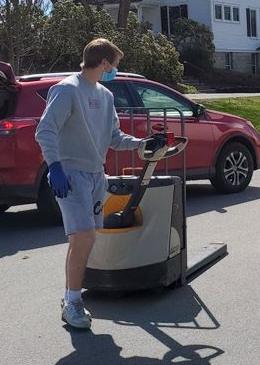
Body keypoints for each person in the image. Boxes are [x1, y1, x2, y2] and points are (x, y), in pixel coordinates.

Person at [35, 38, 162, 329]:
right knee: (84, 238)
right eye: (114, 66)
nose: (115, 71)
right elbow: (45, 131)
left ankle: (69, 297)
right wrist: (54, 166)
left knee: (82, 239)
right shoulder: (67, 90)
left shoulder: (105, 96)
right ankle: (74, 302)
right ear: (103, 63)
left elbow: (114, 138)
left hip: (95, 175)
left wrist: (142, 143)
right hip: (70, 174)